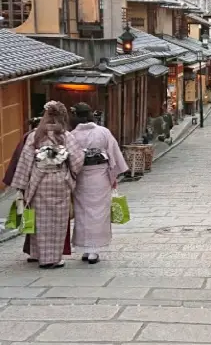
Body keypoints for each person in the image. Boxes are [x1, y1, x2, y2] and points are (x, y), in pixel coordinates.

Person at [11, 101, 84, 268]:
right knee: (57, 221)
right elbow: (78, 160)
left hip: (39, 180)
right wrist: (71, 171)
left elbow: (25, 161)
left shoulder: (35, 136)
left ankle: (38, 254)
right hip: (59, 180)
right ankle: (52, 258)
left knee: (40, 219)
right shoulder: (66, 136)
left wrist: (21, 185)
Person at [70, 103, 128, 265]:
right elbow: (113, 153)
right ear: (90, 115)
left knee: (83, 213)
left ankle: (85, 249)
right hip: (100, 176)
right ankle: (94, 251)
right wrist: (113, 175)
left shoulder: (72, 135)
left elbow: (71, 159)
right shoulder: (103, 132)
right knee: (99, 213)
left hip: (81, 177)